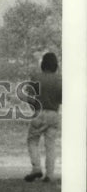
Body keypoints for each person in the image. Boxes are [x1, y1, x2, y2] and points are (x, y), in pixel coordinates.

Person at [24, 51, 62, 183]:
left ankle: (36, 168)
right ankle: (50, 175)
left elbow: (29, 97)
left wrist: (33, 108)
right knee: (50, 145)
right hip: (54, 114)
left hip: (39, 112)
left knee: (32, 141)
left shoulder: (35, 77)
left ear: (43, 64)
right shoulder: (60, 79)